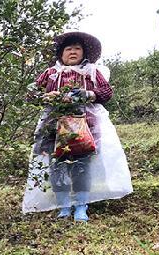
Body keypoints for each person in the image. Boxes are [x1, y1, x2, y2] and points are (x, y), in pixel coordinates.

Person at [22, 31, 132, 221]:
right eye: (68, 48)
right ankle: (64, 206)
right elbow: (30, 94)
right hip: (53, 127)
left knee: (81, 167)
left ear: (84, 52)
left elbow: (106, 92)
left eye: (77, 48)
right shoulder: (50, 73)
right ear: (60, 53)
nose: (73, 52)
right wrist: (45, 96)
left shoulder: (91, 71)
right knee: (57, 166)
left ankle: (81, 206)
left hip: (84, 126)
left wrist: (88, 94)